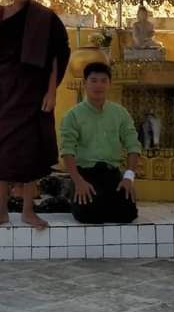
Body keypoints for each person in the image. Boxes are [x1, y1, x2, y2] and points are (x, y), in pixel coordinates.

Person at [0, 0, 70, 229]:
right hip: (4, 89)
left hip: (34, 91)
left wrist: (52, 91)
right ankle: (1, 210)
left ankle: (28, 210)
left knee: (32, 151)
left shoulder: (45, 17)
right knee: (1, 148)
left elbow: (57, 56)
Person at [60, 61, 141, 224]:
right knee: (88, 216)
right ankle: (74, 195)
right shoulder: (73, 115)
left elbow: (133, 145)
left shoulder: (120, 113)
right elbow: (67, 151)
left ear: (110, 84)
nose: (99, 85)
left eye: (104, 81)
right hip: (85, 175)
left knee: (128, 214)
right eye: (94, 80)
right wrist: (78, 181)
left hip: (112, 173)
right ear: (85, 83)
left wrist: (128, 177)